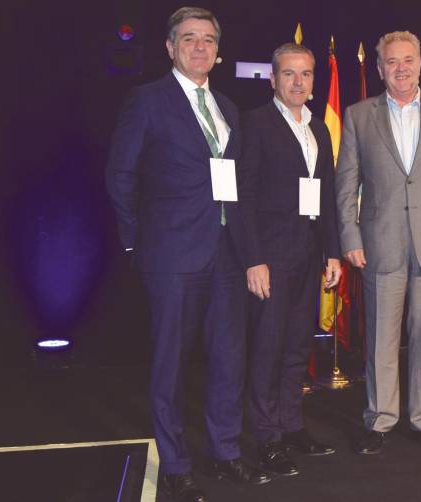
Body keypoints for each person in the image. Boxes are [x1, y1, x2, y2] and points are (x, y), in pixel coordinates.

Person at [105, 7, 270, 502]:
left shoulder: (227, 107)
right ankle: (175, 463)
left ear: (218, 53)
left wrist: (251, 253)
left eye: (208, 40)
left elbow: (236, 188)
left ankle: (224, 451)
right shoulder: (147, 101)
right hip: (172, 254)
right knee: (171, 363)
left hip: (226, 255)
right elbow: (121, 176)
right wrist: (137, 241)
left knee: (228, 359)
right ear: (170, 48)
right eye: (189, 38)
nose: (200, 47)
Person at [335, 30, 421, 455]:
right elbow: (346, 185)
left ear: (420, 63)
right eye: (392, 61)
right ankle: (380, 419)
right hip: (380, 242)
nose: (401, 68)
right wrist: (350, 236)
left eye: (408, 59)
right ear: (379, 68)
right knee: (380, 337)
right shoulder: (358, 115)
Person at [240, 43, 341, 476]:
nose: (298, 82)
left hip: (308, 254)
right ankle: (267, 438)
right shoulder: (255, 124)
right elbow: (242, 197)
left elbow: (329, 196)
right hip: (271, 256)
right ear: (273, 79)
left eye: (306, 74)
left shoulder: (318, 128)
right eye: (289, 74)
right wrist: (254, 258)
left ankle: (291, 424)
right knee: (267, 347)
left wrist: (333, 251)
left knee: (298, 346)